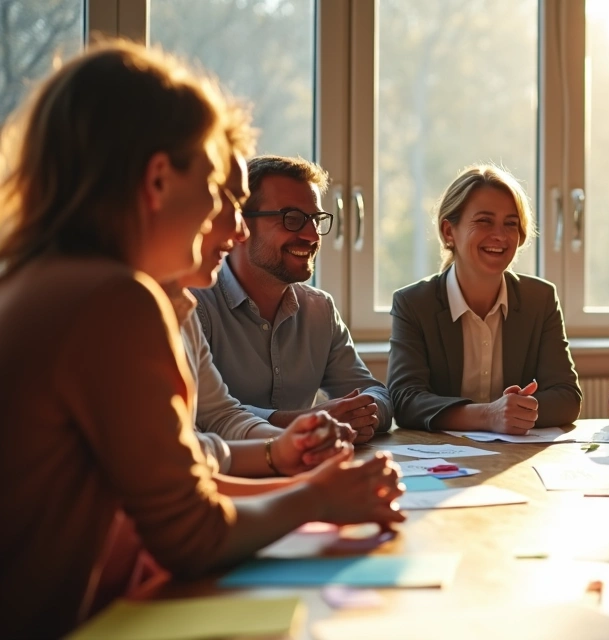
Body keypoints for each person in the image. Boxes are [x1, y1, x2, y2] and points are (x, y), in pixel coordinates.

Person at [0, 42, 403, 637]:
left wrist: (303, 479)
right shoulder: (114, 302)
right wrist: (317, 499)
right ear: (158, 179)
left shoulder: (38, 279)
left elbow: (174, 476)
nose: (230, 220)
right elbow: (191, 536)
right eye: (216, 186)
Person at [162, 121, 355, 480]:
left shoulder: (177, 304)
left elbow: (219, 419)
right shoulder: (135, 305)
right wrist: (304, 481)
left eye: (315, 219)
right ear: (158, 189)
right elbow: (172, 467)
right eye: (226, 203)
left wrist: (292, 448)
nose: (238, 230)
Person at [192, 155, 391, 442]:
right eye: (292, 219)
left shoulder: (319, 309)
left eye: (316, 219)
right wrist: (306, 421)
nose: (311, 235)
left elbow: (376, 394)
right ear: (241, 225)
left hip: (306, 468)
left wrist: (357, 414)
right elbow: (198, 417)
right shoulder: (194, 306)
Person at [388, 165, 581, 432]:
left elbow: (567, 397)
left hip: (516, 458)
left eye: (510, 224)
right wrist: (488, 416)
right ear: (448, 232)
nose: (500, 236)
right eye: (484, 221)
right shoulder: (413, 304)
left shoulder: (540, 298)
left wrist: (515, 412)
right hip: (443, 458)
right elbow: (405, 400)